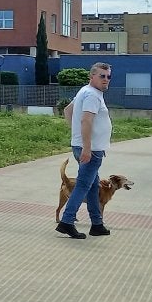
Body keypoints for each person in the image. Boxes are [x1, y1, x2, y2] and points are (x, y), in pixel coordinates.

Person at [57, 62, 113, 239]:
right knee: (83, 185)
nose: (106, 80)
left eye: (108, 76)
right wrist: (87, 147)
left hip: (85, 146)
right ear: (92, 76)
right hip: (90, 150)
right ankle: (66, 222)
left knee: (92, 186)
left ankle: (97, 224)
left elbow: (68, 111)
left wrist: (77, 137)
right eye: (102, 76)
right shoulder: (92, 95)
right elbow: (86, 121)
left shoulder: (86, 91)